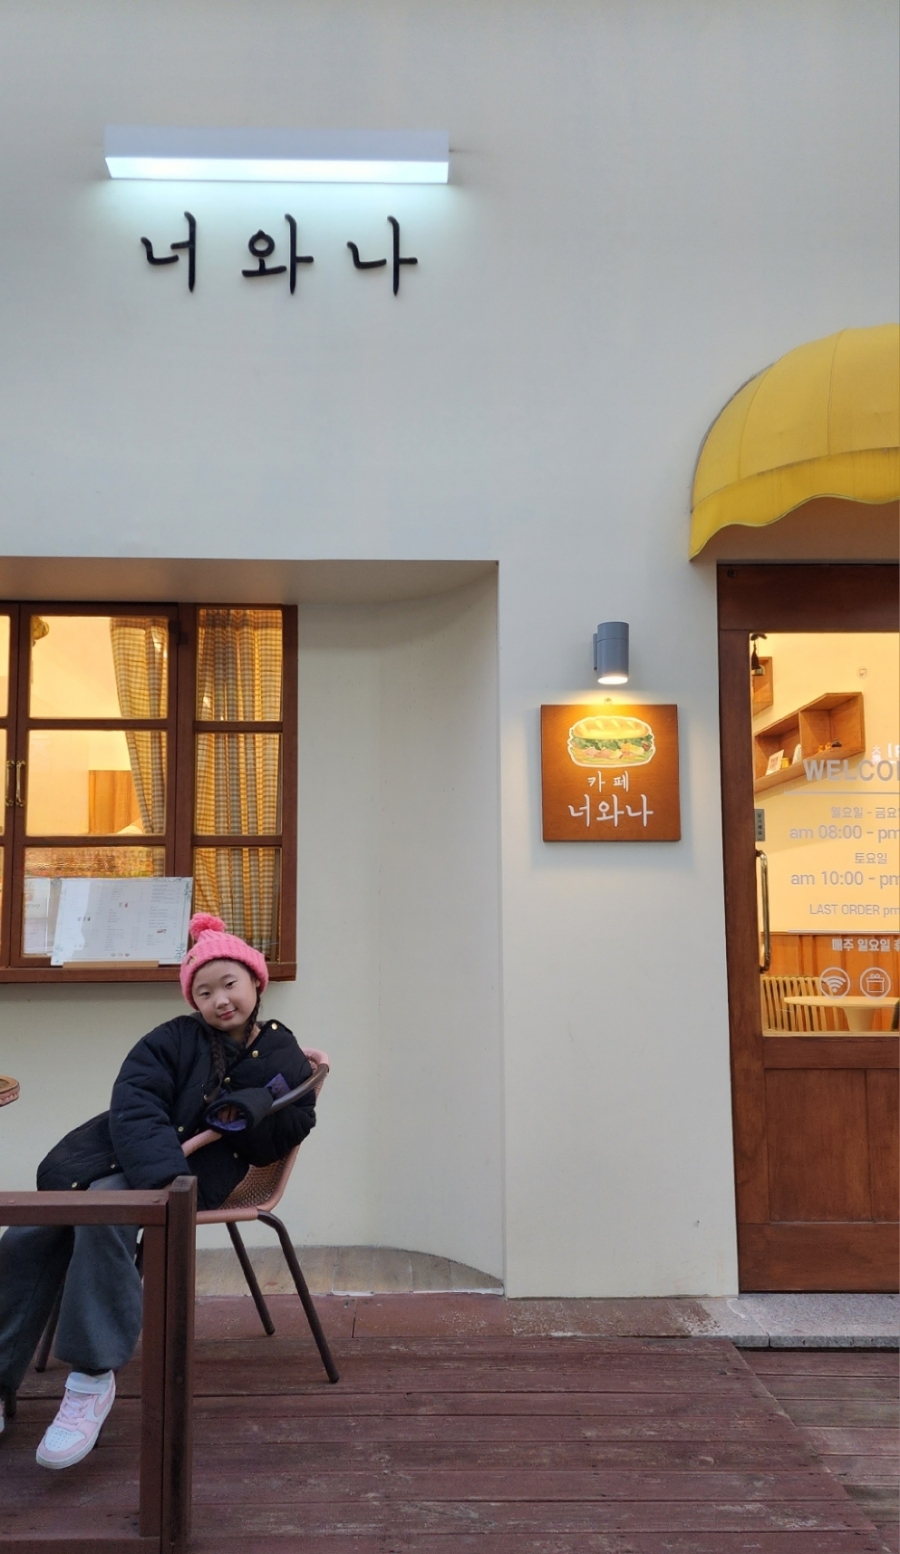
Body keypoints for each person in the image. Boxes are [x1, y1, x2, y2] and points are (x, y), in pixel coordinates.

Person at [0, 912, 317, 1469]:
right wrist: (161, 1176)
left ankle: (91, 1379)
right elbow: (136, 1103)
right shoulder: (170, 1039)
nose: (220, 1000)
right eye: (204, 991)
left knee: (106, 1215)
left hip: (199, 1175)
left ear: (256, 981)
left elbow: (286, 1129)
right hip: (122, 1155)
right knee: (31, 1229)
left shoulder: (282, 1053)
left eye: (230, 984)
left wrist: (259, 1106)